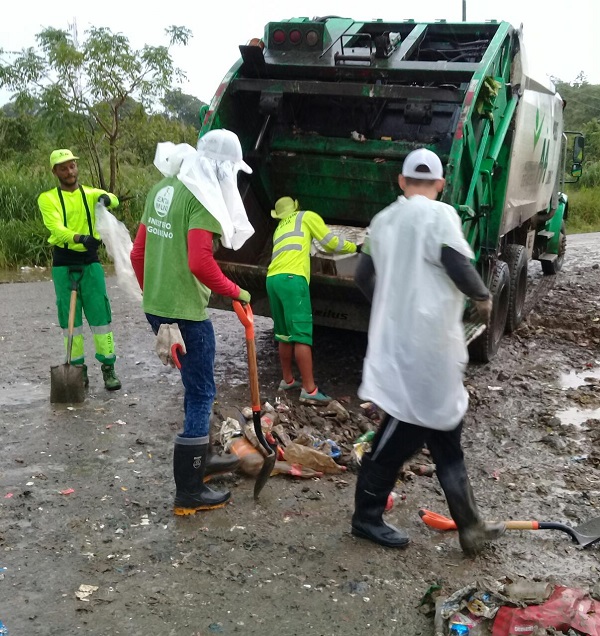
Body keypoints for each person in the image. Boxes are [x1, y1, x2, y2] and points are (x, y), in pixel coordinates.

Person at [350, 148, 505, 556]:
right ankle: (365, 517)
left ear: (401, 181)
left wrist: (392, 308)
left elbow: (363, 275)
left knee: (445, 435)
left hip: (405, 349)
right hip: (429, 353)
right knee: (397, 438)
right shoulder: (440, 215)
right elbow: (456, 264)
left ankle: (470, 526)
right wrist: (483, 296)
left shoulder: (384, 220)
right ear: (440, 185)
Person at [130, 130, 251, 516]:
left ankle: (200, 460)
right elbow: (200, 262)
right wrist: (236, 291)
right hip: (187, 315)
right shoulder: (202, 197)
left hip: (158, 309)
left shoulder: (162, 188)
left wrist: (157, 299)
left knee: (192, 386)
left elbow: (137, 254)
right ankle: (189, 492)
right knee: (201, 394)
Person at [38, 149, 122, 391]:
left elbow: (112, 198)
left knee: (100, 316)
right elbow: (55, 228)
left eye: (72, 166)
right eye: (63, 168)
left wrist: (107, 200)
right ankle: (77, 370)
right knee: (69, 320)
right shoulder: (47, 199)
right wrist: (80, 237)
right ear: (55, 171)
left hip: (90, 260)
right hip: (64, 262)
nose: (70, 171)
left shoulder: (91, 193)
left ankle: (108, 368)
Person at [266, 196, 359, 405]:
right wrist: (355, 248)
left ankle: (288, 380)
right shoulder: (306, 217)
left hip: (272, 279)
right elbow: (330, 242)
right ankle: (309, 389)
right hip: (292, 279)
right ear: (297, 207)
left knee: (283, 333)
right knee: (301, 336)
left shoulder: (280, 227)